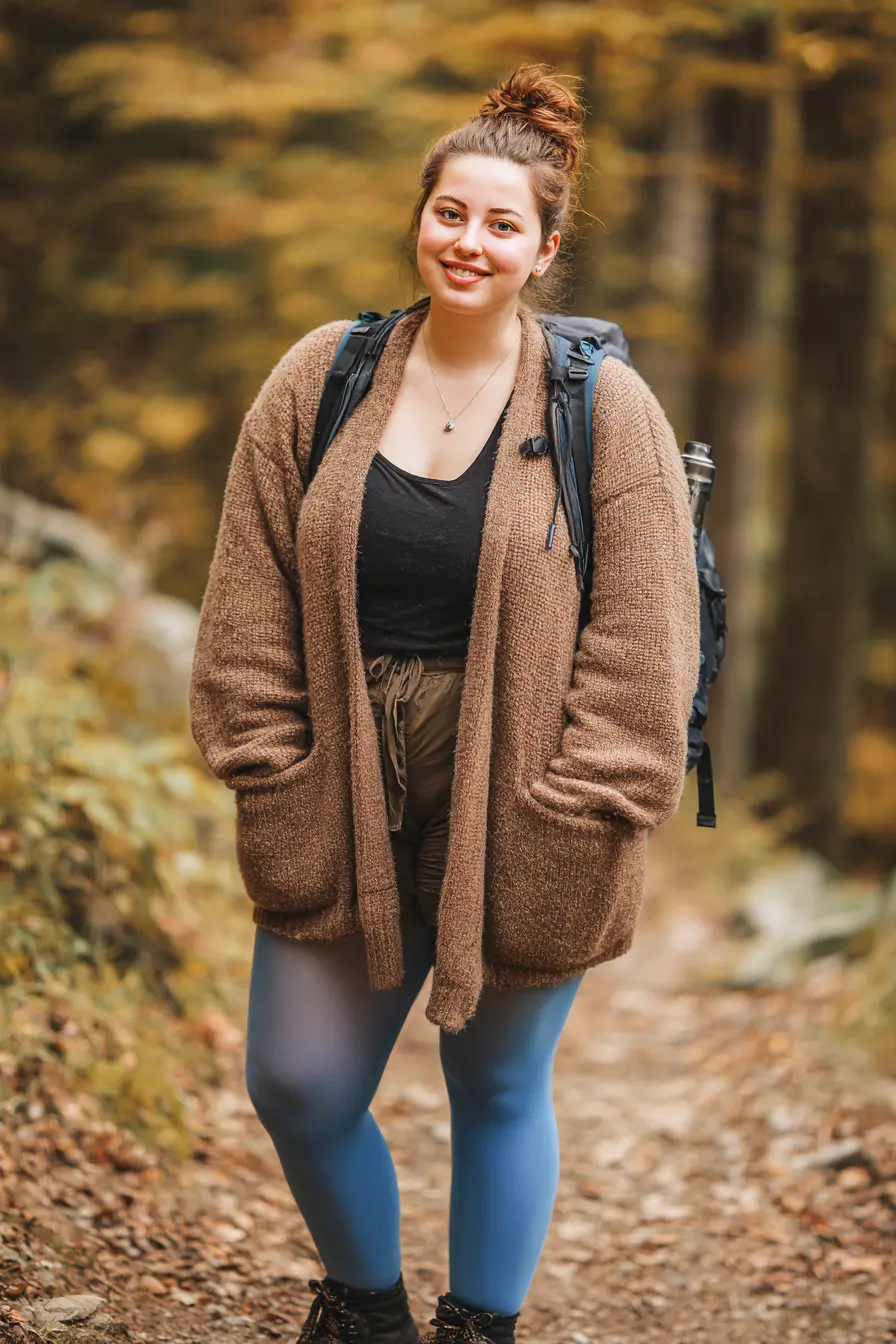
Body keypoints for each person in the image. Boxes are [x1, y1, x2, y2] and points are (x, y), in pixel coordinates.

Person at [189, 62, 700, 1344]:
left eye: (500, 223)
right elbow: (245, 586)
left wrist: (582, 803)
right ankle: (365, 1312)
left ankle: (481, 1327)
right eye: (448, 214)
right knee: (298, 1083)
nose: (467, 242)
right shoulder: (323, 376)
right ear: (420, 218)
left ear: (544, 247)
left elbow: (646, 640)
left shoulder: (605, 411)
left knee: (495, 1080)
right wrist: (268, 757)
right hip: (340, 776)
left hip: (529, 788)